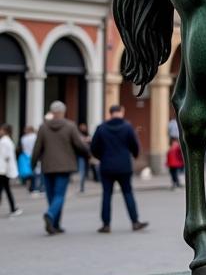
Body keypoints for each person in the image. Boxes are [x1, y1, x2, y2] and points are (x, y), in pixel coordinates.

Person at [31, 100, 91, 234]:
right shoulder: (70, 126)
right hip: (64, 166)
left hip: (47, 166)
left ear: (52, 112)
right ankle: (51, 215)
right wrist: (88, 154)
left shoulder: (43, 127)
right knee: (59, 195)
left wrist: (33, 163)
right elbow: (79, 144)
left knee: (51, 196)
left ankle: (55, 225)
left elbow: (37, 148)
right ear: (63, 112)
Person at [90, 105, 148, 233]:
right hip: (124, 166)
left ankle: (106, 225)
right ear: (121, 112)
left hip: (106, 166)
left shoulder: (101, 128)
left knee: (106, 195)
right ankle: (135, 222)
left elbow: (93, 148)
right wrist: (134, 155)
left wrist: (102, 157)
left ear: (110, 113)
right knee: (128, 193)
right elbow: (135, 145)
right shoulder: (127, 127)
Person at [0, 122, 22, 216]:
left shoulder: (4, 141)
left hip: (3, 169)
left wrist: (3, 170)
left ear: (5, 131)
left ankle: (13, 208)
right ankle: (13, 208)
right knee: (6, 189)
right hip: (4, 169)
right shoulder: (7, 140)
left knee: (4, 189)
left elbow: (5, 157)